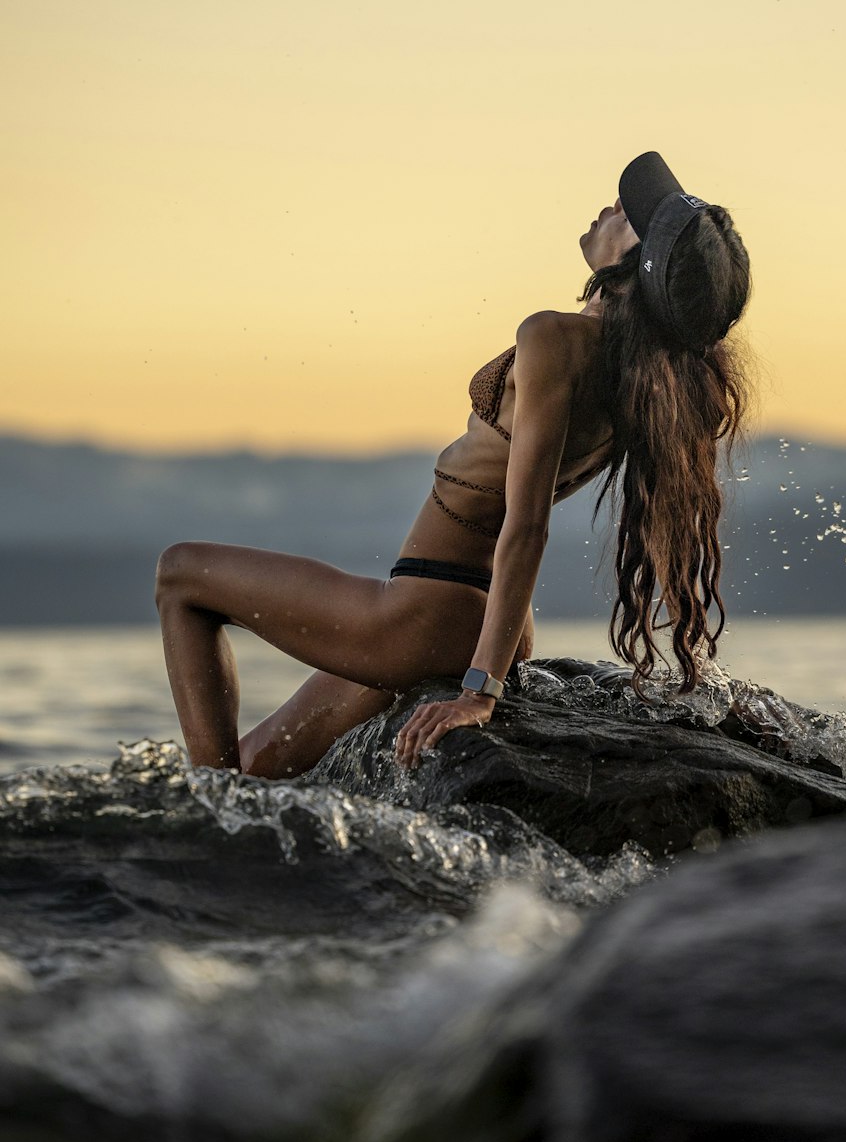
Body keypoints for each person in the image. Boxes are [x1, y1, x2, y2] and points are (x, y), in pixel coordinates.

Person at [155, 151, 751, 778]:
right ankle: (231, 799)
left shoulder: (555, 339)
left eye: (631, 216)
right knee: (257, 762)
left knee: (181, 576)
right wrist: (489, 668)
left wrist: (479, 693)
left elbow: (526, 526)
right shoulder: (644, 375)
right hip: (490, 623)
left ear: (634, 269)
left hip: (423, 616)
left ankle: (207, 806)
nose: (611, 207)